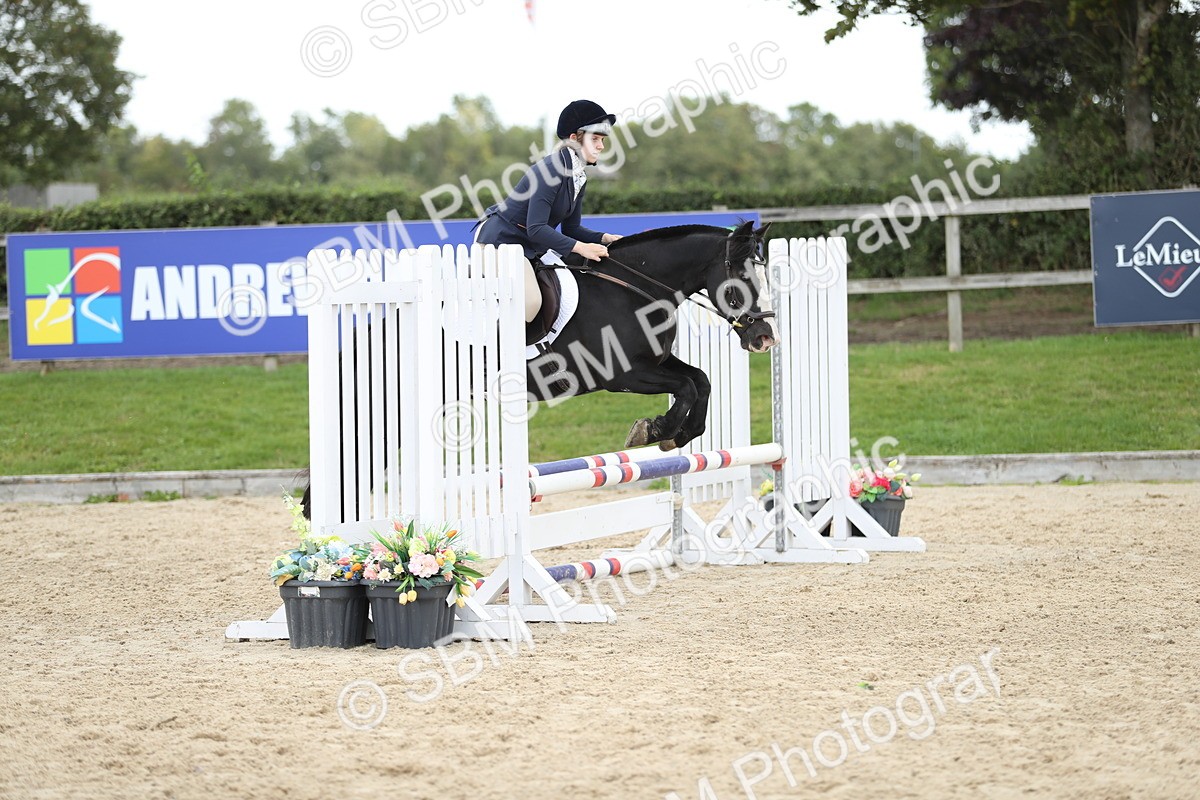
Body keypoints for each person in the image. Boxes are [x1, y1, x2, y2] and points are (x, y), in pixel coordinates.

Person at [475, 99, 623, 322]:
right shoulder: (551, 169)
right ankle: (500, 354)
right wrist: (582, 248)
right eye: (595, 139)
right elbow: (536, 228)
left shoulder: (578, 176)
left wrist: (603, 238)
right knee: (532, 302)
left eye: (601, 140)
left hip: (528, 247)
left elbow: (571, 228)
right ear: (574, 139)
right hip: (501, 242)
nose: (601, 146)